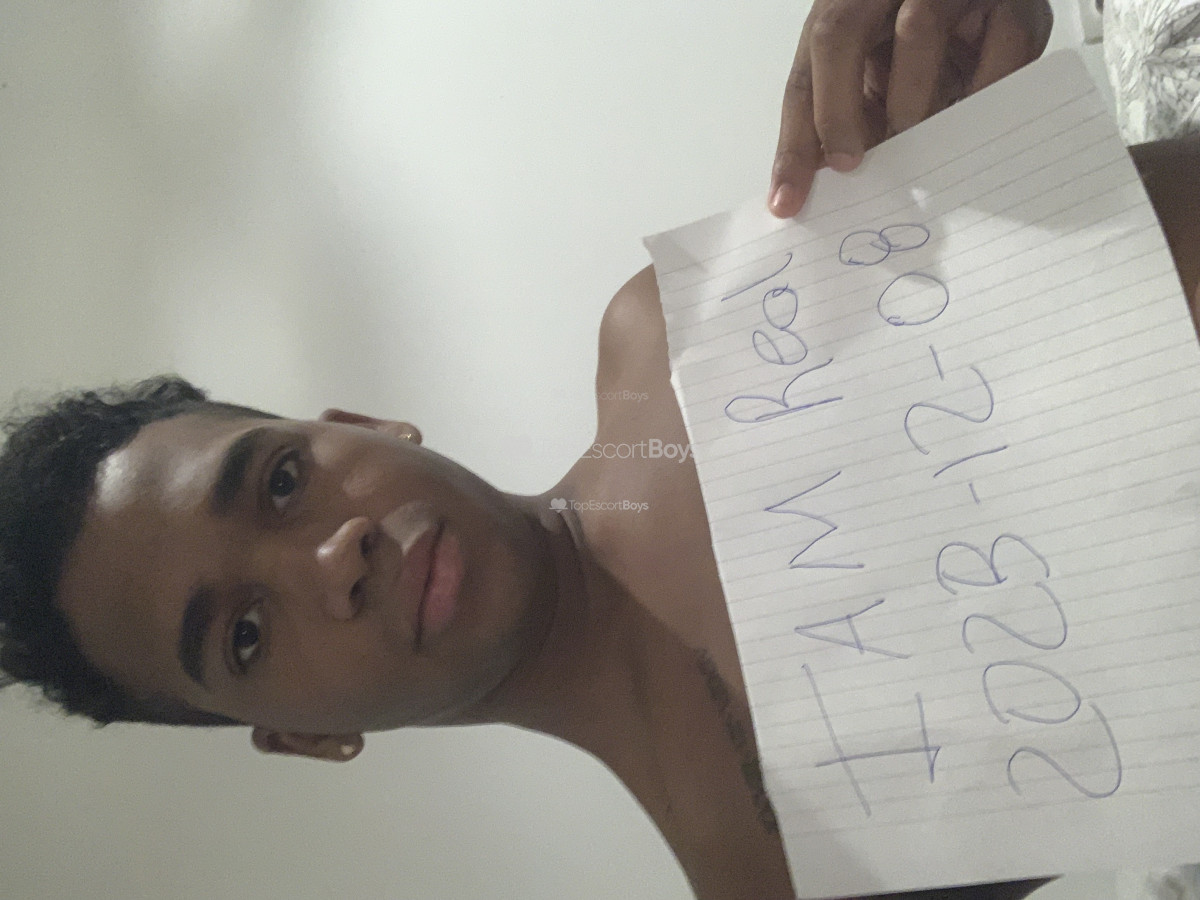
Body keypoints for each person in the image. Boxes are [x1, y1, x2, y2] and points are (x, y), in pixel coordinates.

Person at [1, 3, 1195, 899]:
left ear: (356, 429)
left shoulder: (672, 330)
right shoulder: (775, 879)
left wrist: (958, 56)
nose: (332, 558)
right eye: (246, 636)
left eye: (277, 481)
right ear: (306, 738)